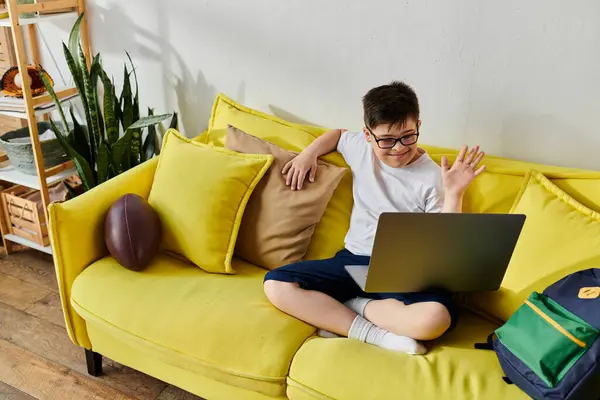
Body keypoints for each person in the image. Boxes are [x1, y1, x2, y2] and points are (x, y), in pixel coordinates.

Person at [263, 81, 486, 355]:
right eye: (387, 140)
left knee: (435, 319)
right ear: (368, 135)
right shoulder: (360, 149)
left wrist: (454, 193)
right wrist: (308, 154)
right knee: (276, 284)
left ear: (418, 125)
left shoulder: (432, 177)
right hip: (354, 260)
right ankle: (374, 334)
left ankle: (353, 305)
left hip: (407, 274)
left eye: (408, 136)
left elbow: (445, 244)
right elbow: (337, 135)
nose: (399, 148)